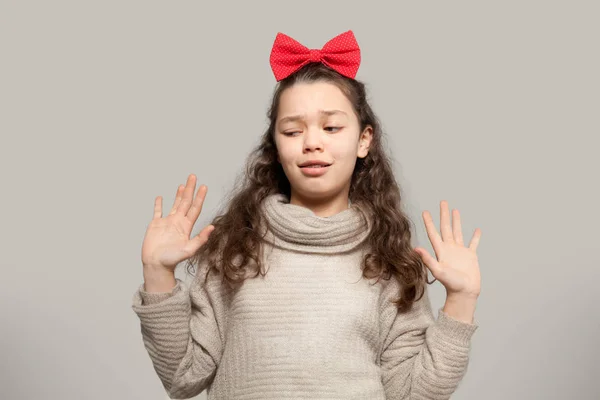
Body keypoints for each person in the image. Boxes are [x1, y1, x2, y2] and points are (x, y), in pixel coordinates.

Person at [132, 30, 482, 400]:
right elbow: (182, 377)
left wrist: (461, 299)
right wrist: (158, 274)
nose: (312, 142)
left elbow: (412, 394)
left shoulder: (389, 261)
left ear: (364, 140)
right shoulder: (233, 249)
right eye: (292, 130)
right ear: (276, 144)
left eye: (331, 127)